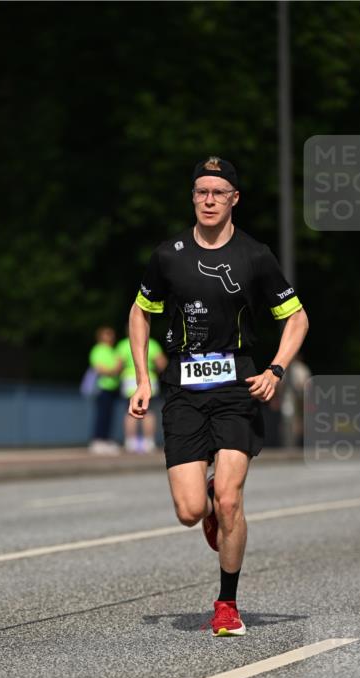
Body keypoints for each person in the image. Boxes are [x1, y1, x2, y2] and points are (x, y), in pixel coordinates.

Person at [128, 156, 308, 636]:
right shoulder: (169, 255)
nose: (209, 200)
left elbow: (296, 318)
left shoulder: (254, 256)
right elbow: (141, 313)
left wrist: (276, 369)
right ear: (193, 197)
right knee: (191, 512)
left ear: (234, 199)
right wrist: (142, 378)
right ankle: (204, 498)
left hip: (236, 388)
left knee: (231, 501)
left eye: (218, 192)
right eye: (201, 192)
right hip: (184, 391)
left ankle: (227, 604)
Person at [115, 326, 166, 453]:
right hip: (148, 379)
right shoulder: (151, 343)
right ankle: (148, 442)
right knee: (149, 412)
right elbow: (162, 364)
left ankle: (130, 442)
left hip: (129, 380)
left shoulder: (123, 345)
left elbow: (117, 366)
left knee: (130, 412)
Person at [87, 326, 121, 455]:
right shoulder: (98, 349)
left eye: (111, 334)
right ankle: (97, 440)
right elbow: (99, 368)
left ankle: (105, 439)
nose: (110, 337)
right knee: (101, 414)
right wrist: (113, 370)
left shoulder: (113, 350)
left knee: (109, 415)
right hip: (102, 387)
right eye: (107, 334)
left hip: (112, 387)